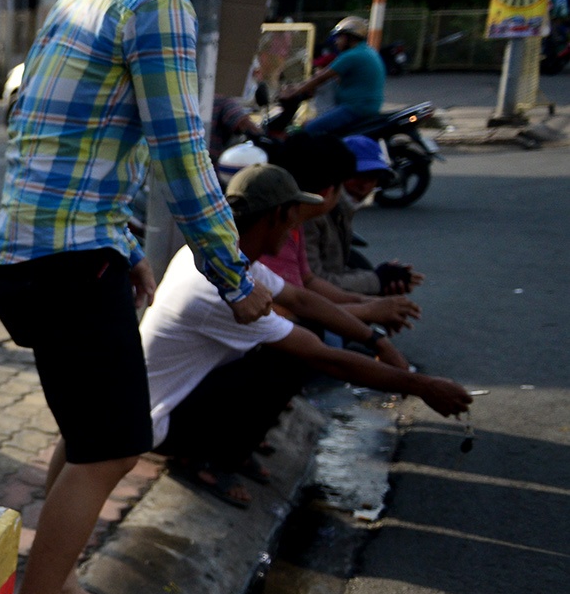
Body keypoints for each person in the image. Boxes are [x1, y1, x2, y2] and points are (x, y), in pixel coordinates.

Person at [0, 0, 274, 594]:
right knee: (116, 442)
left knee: (90, 430)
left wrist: (121, 244)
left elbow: (54, 137)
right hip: (70, 267)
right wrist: (235, 277)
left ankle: (59, 583)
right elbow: (183, 159)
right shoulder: (159, 0)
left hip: (40, 258)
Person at [144, 164, 469, 507]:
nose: (297, 227)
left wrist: (377, 341)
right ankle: (205, 458)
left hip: (174, 397)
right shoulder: (219, 290)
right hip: (158, 421)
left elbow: (300, 299)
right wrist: (422, 386)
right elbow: (325, 358)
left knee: (298, 338)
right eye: (295, 215)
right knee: (291, 355)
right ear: (278, 215)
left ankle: (231, 448)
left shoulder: (223, 258)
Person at [303, 135, 421, 297]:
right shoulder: (312, 216)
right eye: (358, 176)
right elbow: (311, 283)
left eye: (372, 178)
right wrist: (376, 280)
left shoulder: (342, 212)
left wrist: (385, 278)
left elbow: (334, 272)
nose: (364, 185)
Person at [282, 17, 386, 136]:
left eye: (339, 37)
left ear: (350, 37)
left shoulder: (352, 55)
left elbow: (321, 78)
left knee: (310, 129)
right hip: (367, 107)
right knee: (310, 123)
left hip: (355, 108)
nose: (336, 41)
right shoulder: (367, 51)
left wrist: (294, 92)